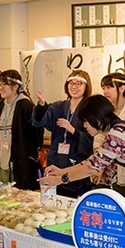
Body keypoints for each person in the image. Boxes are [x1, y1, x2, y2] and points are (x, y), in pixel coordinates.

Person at [32, 70, 94, 198]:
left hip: (77, 164)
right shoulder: (58, 107)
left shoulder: (90, 109)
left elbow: (91, 140)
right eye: (71, 83)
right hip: (56, 160)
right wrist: (42, 106)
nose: (74, 87)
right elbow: (40, 122)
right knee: (56, 201)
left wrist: (73, 130)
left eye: (79, 84)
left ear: (86, 87)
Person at [96, 72, 125, 202]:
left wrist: (103, 158)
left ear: (122, 89)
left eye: (109, 87)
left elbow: (122, 141)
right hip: (105, 169)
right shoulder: (108, 109)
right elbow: (98, 135)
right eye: (103, 88)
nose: (105, 91)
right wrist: (98, 155)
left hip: (124, 173)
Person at [0, 69, 43, 189]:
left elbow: (36, 132)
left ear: (16, 86)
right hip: (3, 162)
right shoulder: (1, 105)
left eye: (4, 84)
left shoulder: (26, 106)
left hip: (21, 165)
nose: (1, 88)